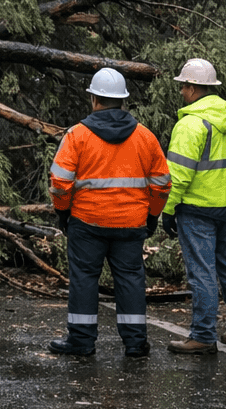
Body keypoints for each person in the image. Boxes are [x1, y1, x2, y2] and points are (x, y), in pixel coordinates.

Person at [48, 68, 172, 357]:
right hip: (131, 223)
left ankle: (80, 341)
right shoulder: (145, 137)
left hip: (87, 221)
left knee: (84, 278)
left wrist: (63, 214)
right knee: (130, 279)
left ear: (94, 99)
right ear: (123, 101)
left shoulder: (77, 135)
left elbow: (60, 182)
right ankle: (135, 342)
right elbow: (163, 184)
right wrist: (152, 216)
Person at [159, 59, 226, 354]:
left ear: (191, 88)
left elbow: (177, 174)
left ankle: (203, 335)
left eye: (183, 87)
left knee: (202, 272)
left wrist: (167, 209)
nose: (181, 92)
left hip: (198, 209)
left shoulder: (190, 124)